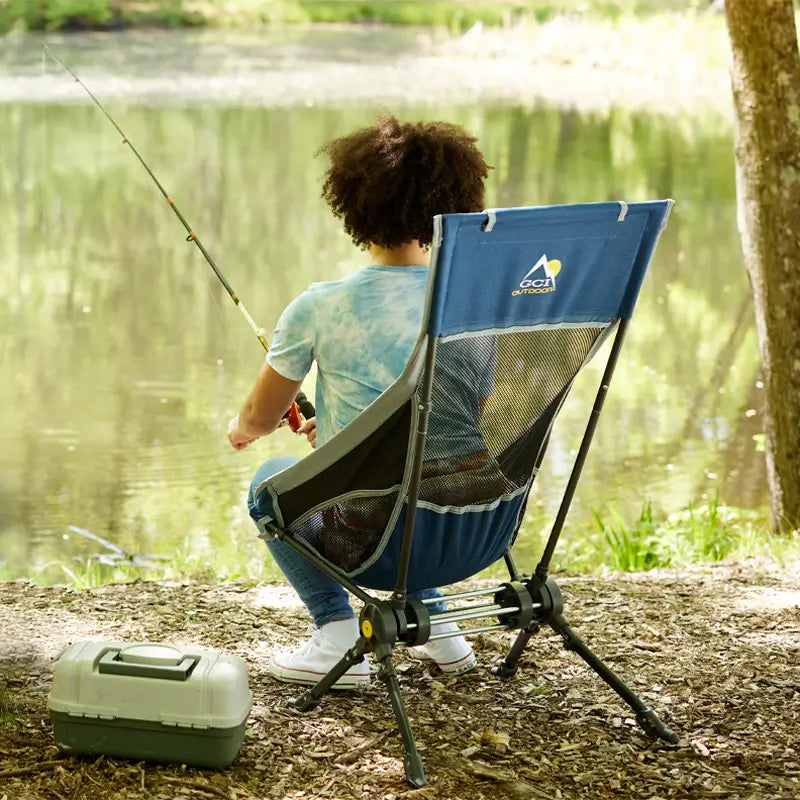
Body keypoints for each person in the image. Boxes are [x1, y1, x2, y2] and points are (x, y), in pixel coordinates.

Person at [227, 115, 491, 689]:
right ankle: (441, 628)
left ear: (353, 206)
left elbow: (260, 417)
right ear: (454, 206)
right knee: (420, 474)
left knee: (269, 485)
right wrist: (340, 432)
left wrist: (243, 428)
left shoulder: (321, 307)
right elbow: (447, 422)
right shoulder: (477, 309)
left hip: (375, 539)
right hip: (473, 526)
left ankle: (337, 634)